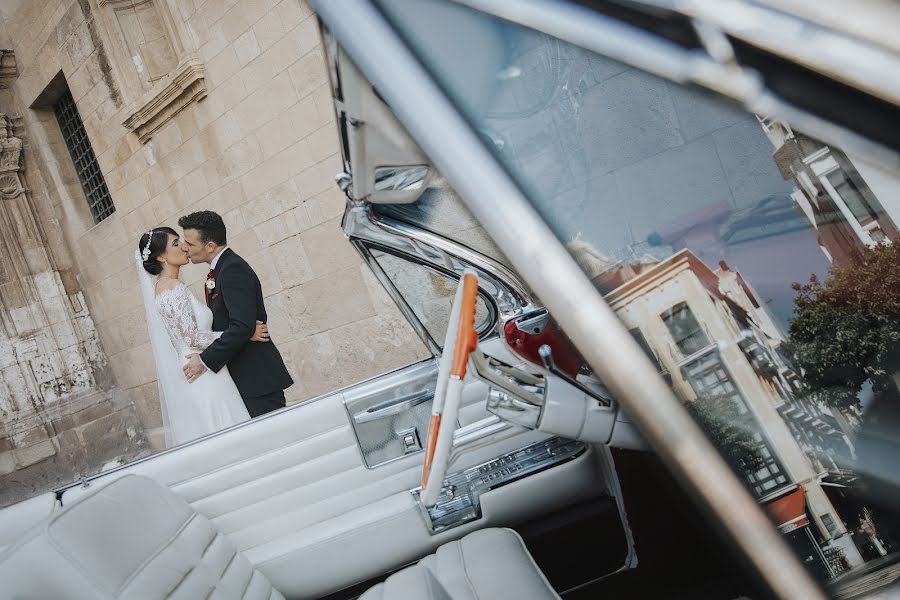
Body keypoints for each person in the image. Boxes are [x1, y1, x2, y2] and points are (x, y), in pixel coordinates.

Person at [135, 227, 268, 447]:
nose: (184, 247)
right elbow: (193, 338)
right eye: (176, 243)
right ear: (161, 256)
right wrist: (243, 334)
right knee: (229, 432)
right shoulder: (173, 288)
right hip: (202, 370)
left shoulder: (164, 288)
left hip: (200, 366)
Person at [178, 211, 294, 417]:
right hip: (243, 376)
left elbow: (241, 326)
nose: (184, 247)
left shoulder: (232, 270)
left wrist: (204, 361)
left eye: (190, 243)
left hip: (256, 377)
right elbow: (238, 327)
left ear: (210, 246)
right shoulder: (221, 269)